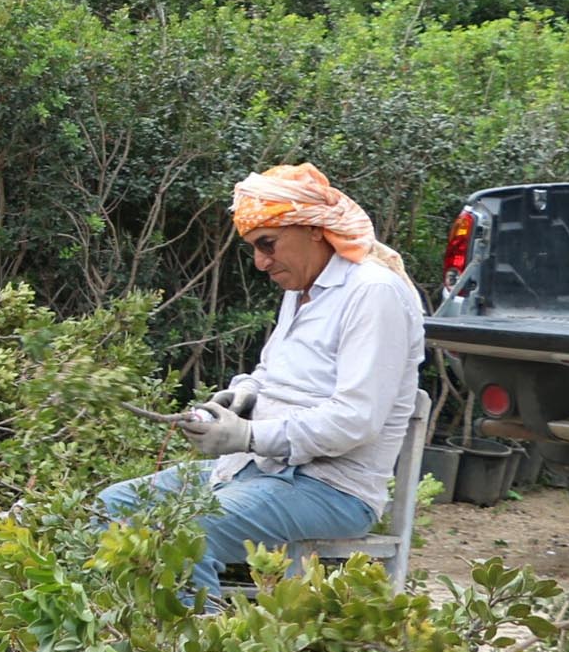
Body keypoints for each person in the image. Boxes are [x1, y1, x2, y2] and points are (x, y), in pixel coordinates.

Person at [97, 163, 427, 604]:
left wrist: (248, 435)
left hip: (329, 489)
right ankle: (116, 641)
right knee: (109, 506)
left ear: (312, 228)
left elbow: (356, 420)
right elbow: (273, 373)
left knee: (184, 536)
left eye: (267, 245)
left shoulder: (373, 293)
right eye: (254, 248)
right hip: (253, 472)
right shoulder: (301, 290)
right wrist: (245, 394)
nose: (259, 262)